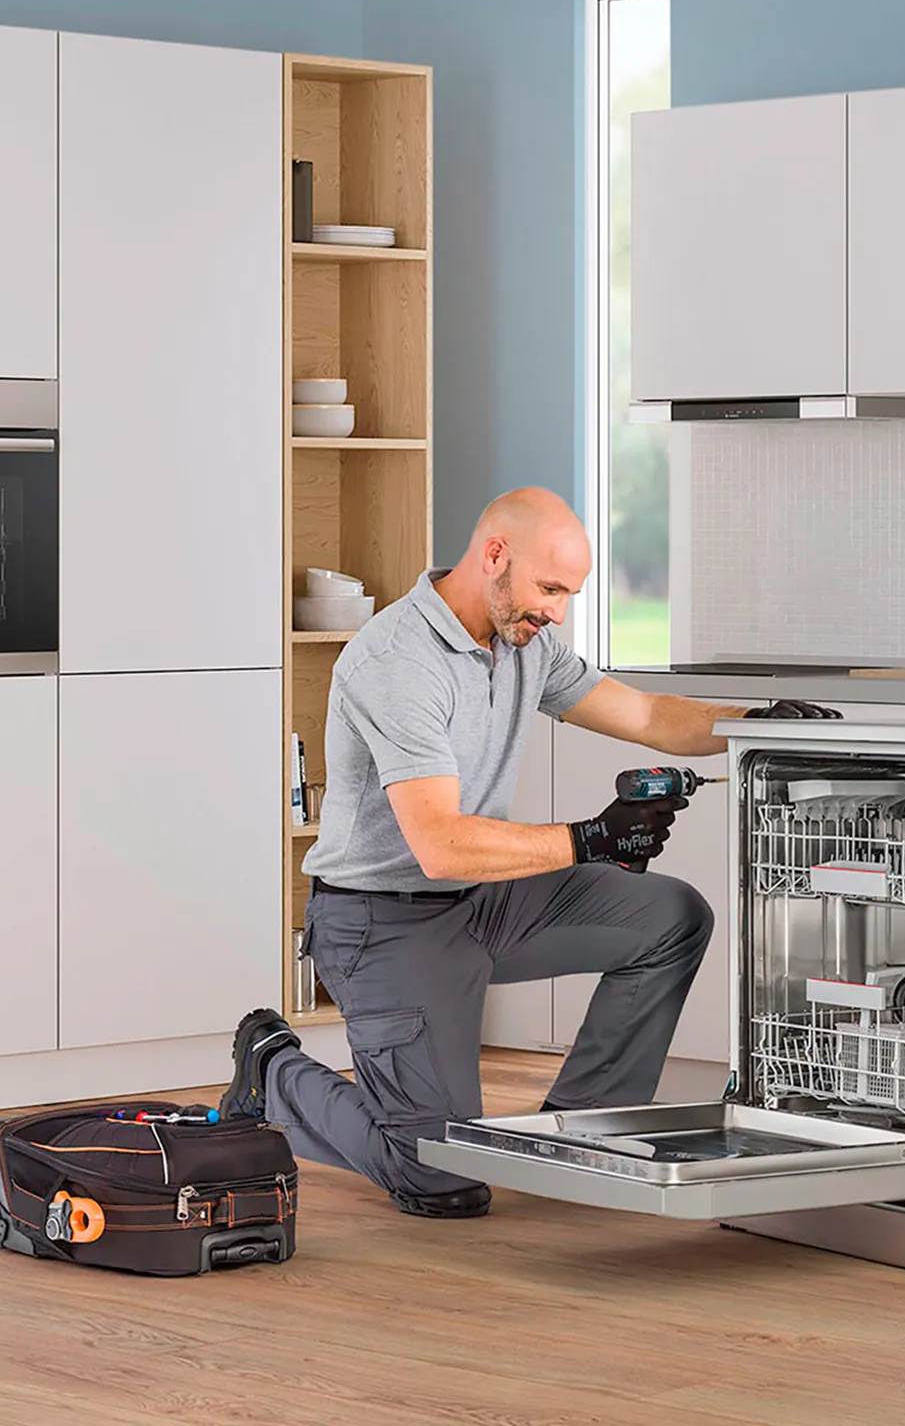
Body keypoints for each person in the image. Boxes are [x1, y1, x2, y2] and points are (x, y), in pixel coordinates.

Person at [219, 487, 839, 1218]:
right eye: (550, 589)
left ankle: (580, 1136)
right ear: (493, 557)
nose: (556, 612)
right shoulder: (397, 660)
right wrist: (594, 839)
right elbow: (441, 844)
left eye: (569, 595)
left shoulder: (526, 644)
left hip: (484, 904)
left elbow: (644, 712)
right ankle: (273, 1073)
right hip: (381, 923)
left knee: (673, 916)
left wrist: (753, 724)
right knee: (437, 1175)